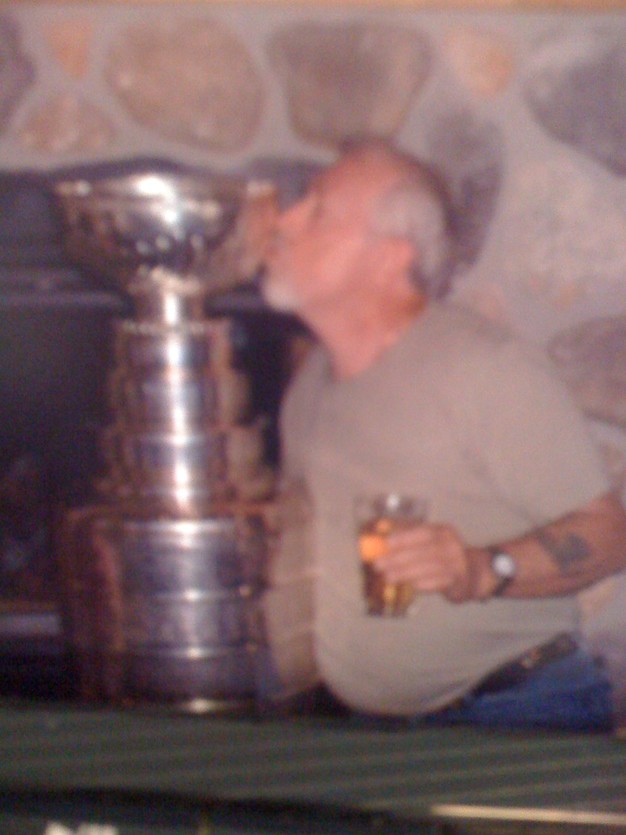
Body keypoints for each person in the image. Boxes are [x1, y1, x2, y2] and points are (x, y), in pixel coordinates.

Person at [259, 139, 626, 731]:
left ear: (388, 258)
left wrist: (482, 568)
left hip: (511, 715)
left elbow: (608, 534)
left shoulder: (485, 368)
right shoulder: (308, 386)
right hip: (358, 726)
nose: (284, 220)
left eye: (318, 209)